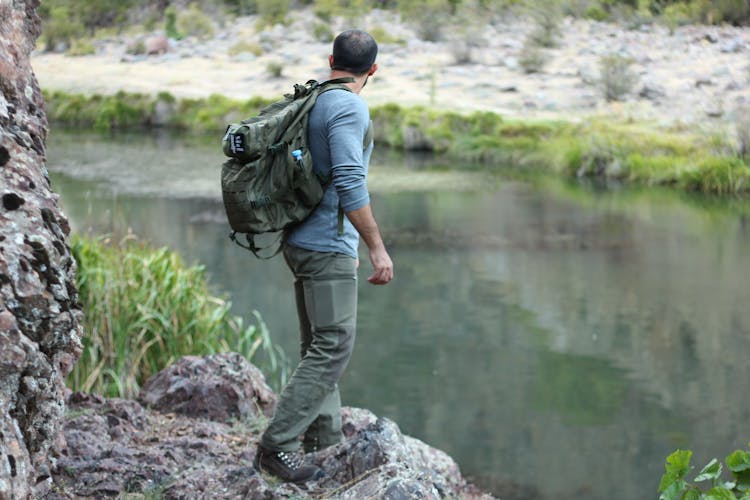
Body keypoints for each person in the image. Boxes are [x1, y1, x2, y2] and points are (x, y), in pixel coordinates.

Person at [253, 29, 394, 483]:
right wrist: (376, 247)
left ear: (330, 58)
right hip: (324, 245)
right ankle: (277, 446)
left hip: (300, 239)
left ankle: (324, 443)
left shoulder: (313, 97)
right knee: (333, 345)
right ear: (373, 70)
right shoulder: (350, 106)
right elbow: (351, 180)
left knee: (319, 345)